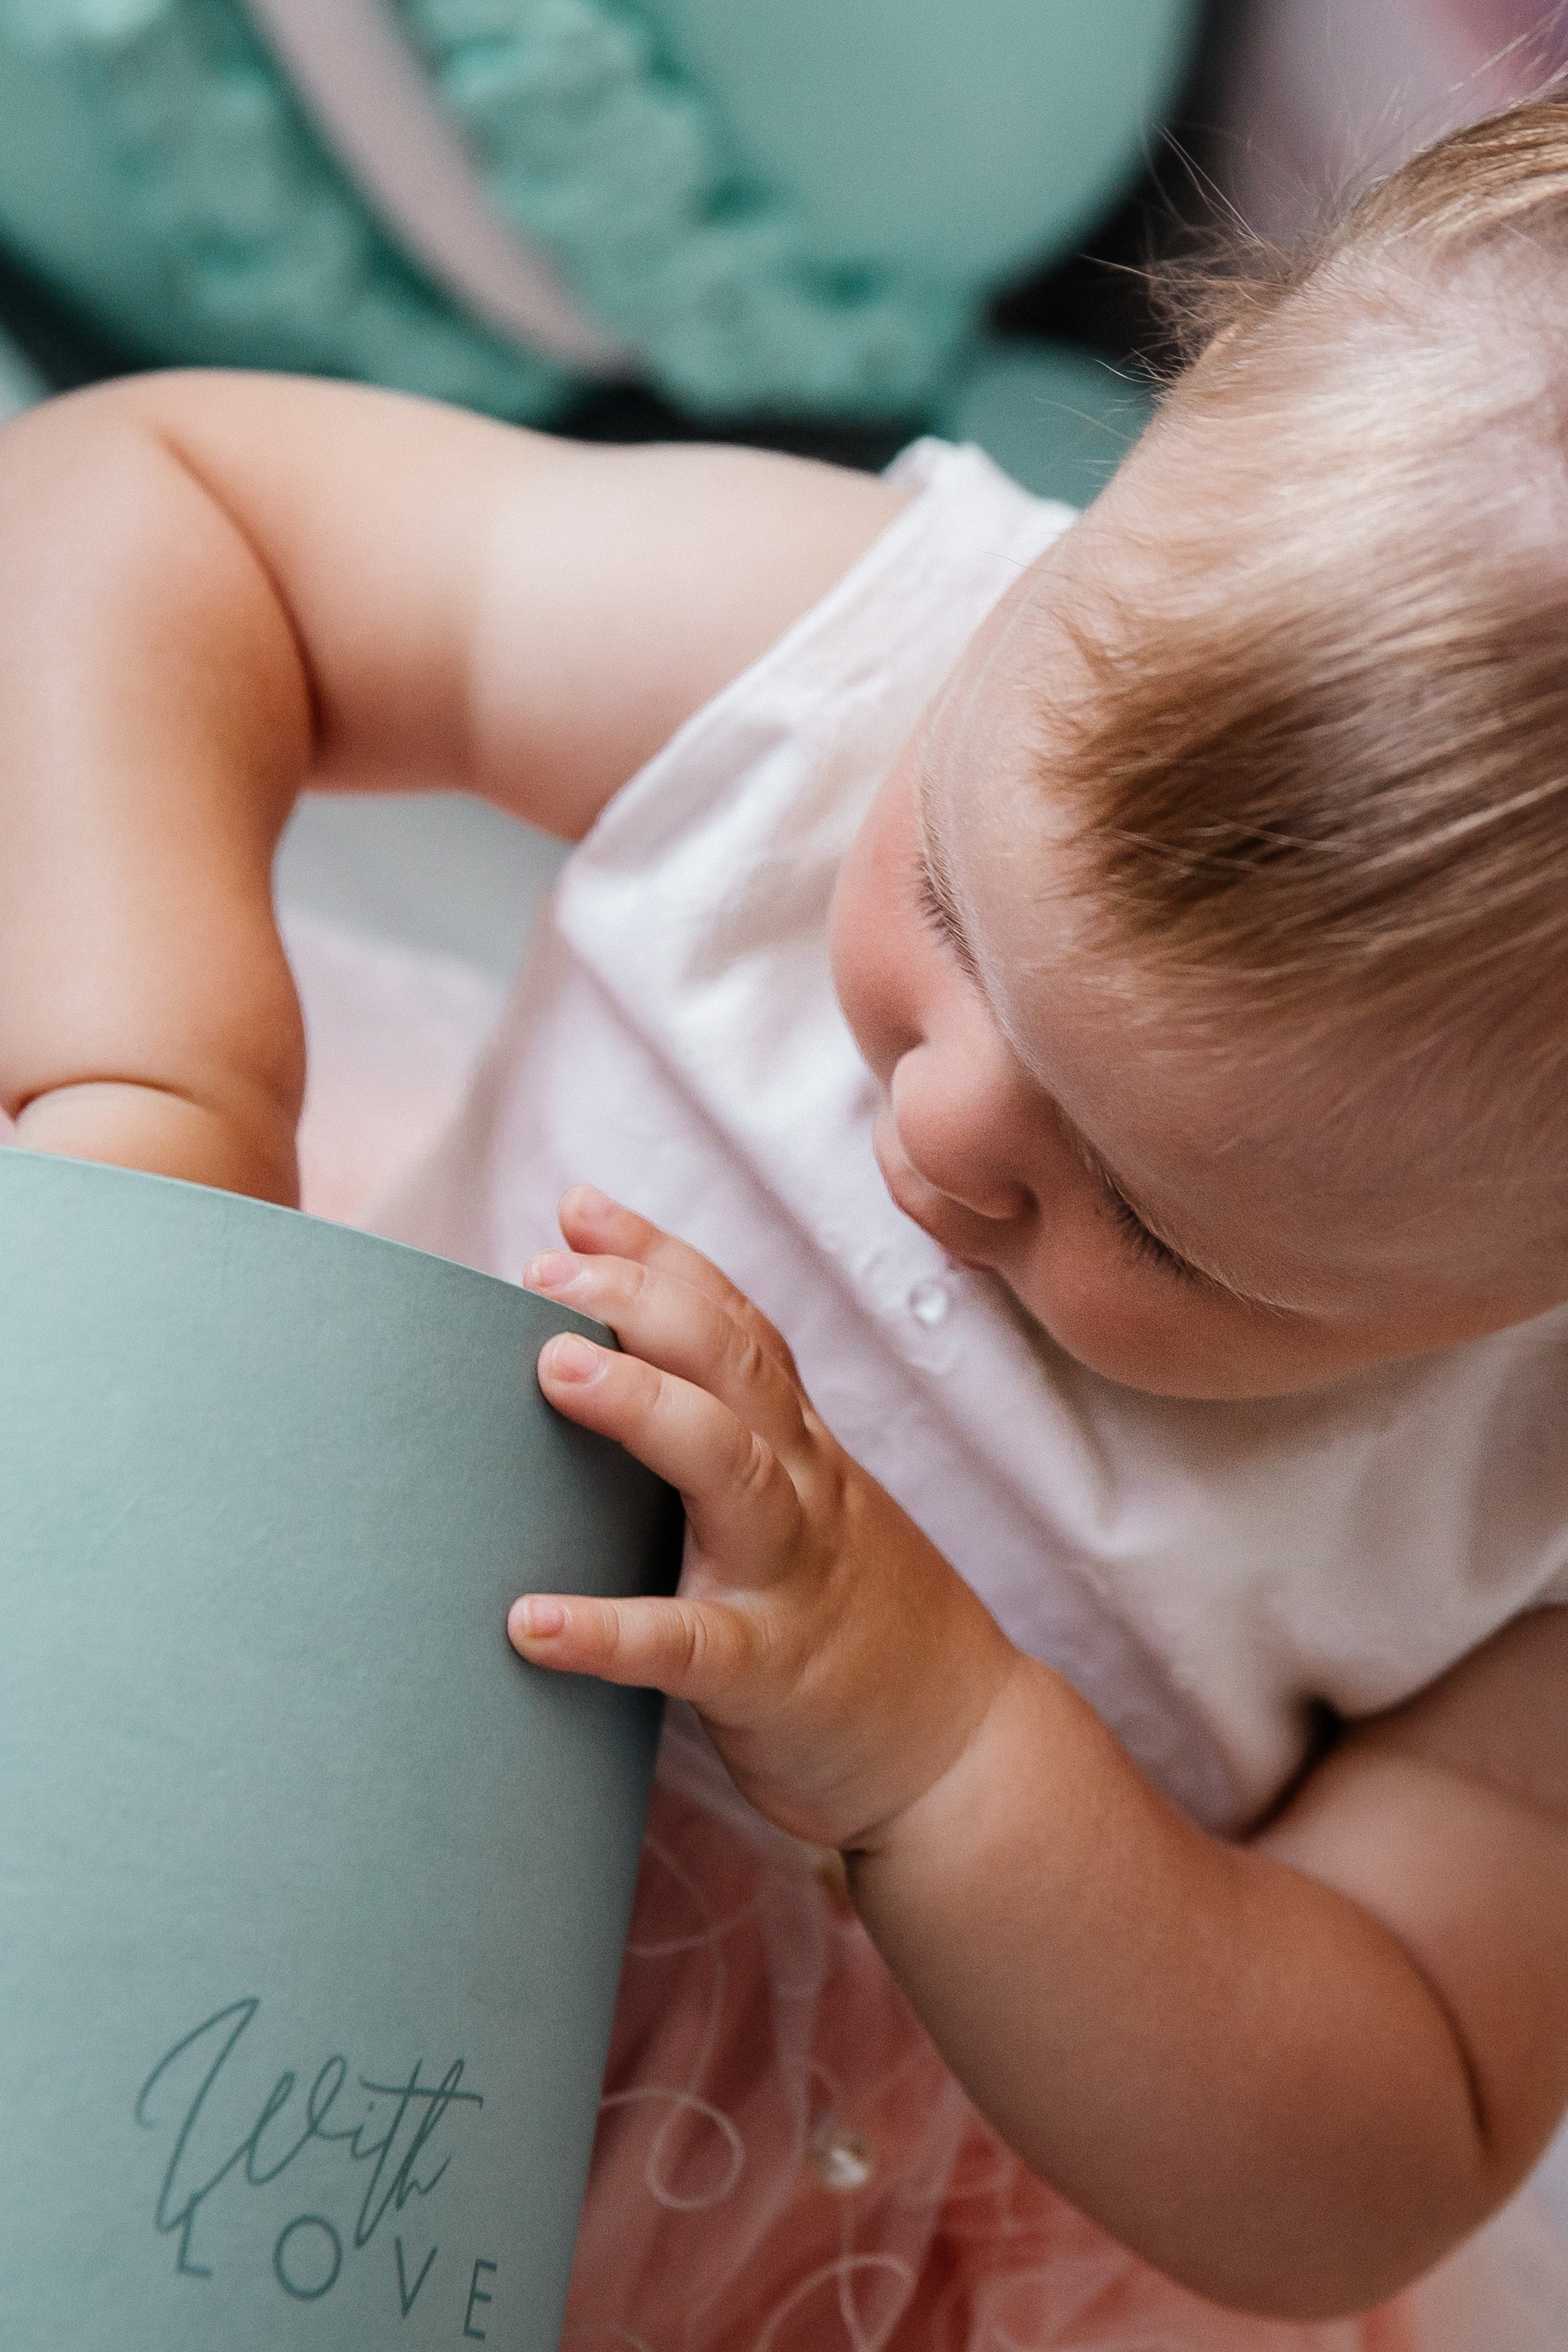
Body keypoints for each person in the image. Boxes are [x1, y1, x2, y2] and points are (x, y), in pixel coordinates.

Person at [5, 93, 1568, 2352]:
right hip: (226, 1714)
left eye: (1166, 1221)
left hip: (782, 2229)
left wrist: (942, 1750)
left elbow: (1378, 2141)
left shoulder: (1527, 1503)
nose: (932, 1125)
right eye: (944, 890)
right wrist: (160, 1085)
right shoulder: (851, 655)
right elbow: (150, 510)